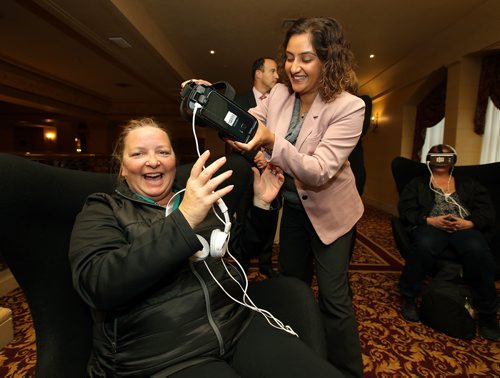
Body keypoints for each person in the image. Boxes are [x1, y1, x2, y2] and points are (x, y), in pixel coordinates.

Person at [69, 118, 343, 377]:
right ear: (121, 166)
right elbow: (99, 284)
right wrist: (185, 219)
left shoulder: (195, 197)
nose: (153, 161)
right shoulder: (103, 208)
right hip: (167, 354)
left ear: (174, 160)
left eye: (163, 152)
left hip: (236, 324)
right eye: (138, 154)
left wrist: (261, 205)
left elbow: (237, 250)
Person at [226, 17, 366, 377]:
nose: (293, 67)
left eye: (305, 58)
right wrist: (210, 100)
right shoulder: (279, 94)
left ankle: (348, 370)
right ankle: (301, 360)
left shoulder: (350, 107)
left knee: (334, 300)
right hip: (293, 207)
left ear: (327, 60)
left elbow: (319, 171)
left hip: (333, 213)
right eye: (289, 58)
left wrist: (271, 140)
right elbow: (244, 122)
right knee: (292, 287)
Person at [398, 144, 500, 340]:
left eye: (445, 157)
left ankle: (488, 313)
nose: (440, 161)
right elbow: (406, 210)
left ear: (453, 160)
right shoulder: (418, 183)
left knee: (477, 249)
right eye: (436, 157)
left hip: (463, 227)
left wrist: (469, 223)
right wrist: (429, 220)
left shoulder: (470, 184)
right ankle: (409, 296)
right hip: (431, 225)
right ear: (429, 159)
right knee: (425, 245)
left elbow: (487, 212)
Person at [234, 57, 280, 278]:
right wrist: (257, 156)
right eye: (272, 71)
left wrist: (269, 159)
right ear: (258, 74)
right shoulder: (240, 99)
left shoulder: (282, 103)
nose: (277, 75)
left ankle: (265, 261)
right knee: (244, 215)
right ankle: (242, 261)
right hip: (246, 169)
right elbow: (233, 133)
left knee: (269, 216)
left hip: (274, 169)